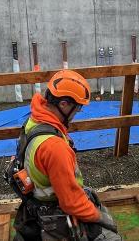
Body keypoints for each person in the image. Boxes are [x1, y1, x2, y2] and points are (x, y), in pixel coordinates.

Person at [9, 70, 120, 241]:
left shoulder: (35, 121)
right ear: (64, 104)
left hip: (36, 205)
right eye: (77, 108)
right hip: (54, 213)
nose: (76, 114)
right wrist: (99, 217)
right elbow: (71, 203)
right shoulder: (54, 147)